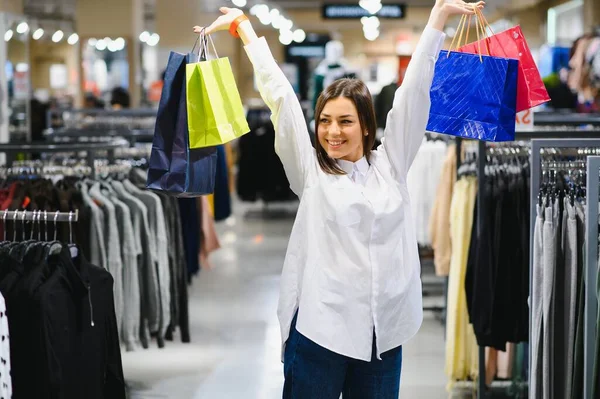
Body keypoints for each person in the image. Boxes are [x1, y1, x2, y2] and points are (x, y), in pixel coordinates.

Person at [196, 1, 484, 397]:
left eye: (345, 121)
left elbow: (413, 95)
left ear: (366, 127)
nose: (332, 132)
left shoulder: (391, 166)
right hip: (320, 333)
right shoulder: (311, 172)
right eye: (325, 121)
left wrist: (437, 18)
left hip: (382, 337)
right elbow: (280, 97)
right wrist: (244, 29)